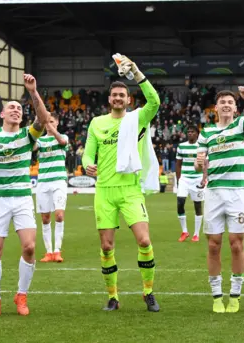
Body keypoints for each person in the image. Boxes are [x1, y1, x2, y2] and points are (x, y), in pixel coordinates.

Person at [82, 55, 161, 312]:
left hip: (130, 190)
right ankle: (113, 297)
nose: (118, 98)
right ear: (109, 99)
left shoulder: (137, 119)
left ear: (128, 100)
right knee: (106, 246)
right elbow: (87, 152)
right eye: (114, 95)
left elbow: (155, 101)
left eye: (122, 96)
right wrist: (86, 164)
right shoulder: (97, 123)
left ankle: (148, 292)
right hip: (104, 190)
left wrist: (136, 73)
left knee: (144, 241)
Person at [0, 74, 50, 316]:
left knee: (29, 247)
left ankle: (21, 295)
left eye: (18, 108)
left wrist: (33, 92)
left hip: (23, 198)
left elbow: (43, 120)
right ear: (2, 115)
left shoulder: (28, 135)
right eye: (10, 108)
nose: (15, 110)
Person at [195, 86, 244, 313]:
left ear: (235, 108)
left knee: (236, 243)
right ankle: (216, 296)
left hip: (237, 193)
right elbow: (200, 160)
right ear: (215, 108)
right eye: (222, 102)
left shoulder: (242, 123)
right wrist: (199, 165)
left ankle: (235, 294)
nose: (226, 104)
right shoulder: (206, 132)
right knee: (214, 244)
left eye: (230, 102)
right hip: (214, 193)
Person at [33, 113, 69, 263]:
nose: (49, 124)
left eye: (52, 121)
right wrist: (39, 126)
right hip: (43, 183)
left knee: (59, 215)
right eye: (47, 121)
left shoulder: (64, 137)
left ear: (57, 123)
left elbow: (60, 140)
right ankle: (48, 252)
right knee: (45, 218)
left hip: (59, 181)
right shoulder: (41, 141)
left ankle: (57, 250)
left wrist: (50, 128)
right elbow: (32, 146)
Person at [175, 125, 206, 243]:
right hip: (184, 179)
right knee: (180, 202)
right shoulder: (181, 146)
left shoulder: (201, 147)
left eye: (192, 132)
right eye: (188, 132)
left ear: (197, 134)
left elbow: (205, 164)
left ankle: (196, 234)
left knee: (197, 206)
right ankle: (184, 231)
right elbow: (178, 164)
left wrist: (204, 178)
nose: (190, 134)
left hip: (197, 179)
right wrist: (179, 180)